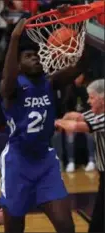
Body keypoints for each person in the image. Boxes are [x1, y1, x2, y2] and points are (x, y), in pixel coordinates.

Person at [0, 18, 87, 233]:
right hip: (17, 163)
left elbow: (81, 66)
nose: (36, 58)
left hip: (45, 161)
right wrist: (15, 38)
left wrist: (77, 24)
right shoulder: (12, 88)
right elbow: (7, 78)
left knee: (66, 226)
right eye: (29, 56)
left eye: (38, 54)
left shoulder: (50, 82)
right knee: (15, 229)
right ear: (18, 64)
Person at [55, 79, 105, 233]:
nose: (88, 101)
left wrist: (51, 122)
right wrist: (65, 117)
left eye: (91, 97)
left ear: (103, 99)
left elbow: (77, 126)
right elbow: (76, 117)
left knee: (99, 215)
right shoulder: (98, 113)